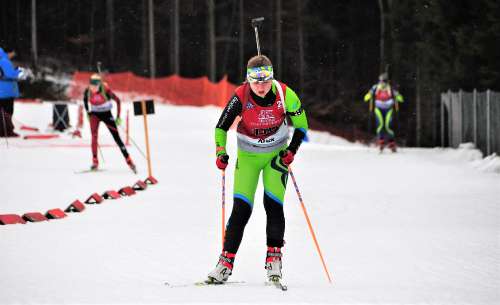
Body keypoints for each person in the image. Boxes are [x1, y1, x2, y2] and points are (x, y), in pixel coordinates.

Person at [207, 55, 308, 284]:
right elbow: (220, 127)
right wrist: (220, 152)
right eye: (256, 81)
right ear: (248, 80)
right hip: (249, 158)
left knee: (273, 206)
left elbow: (302, 126)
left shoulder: (285, 94)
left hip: (276, 158)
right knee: (241, 210)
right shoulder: (240, 96)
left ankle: (274, 261)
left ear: (272, 78)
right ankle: (225, 263)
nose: (261, 87)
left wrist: (292, 150)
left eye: (265, 81)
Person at [83, 73, 136, 172]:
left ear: (99, 85)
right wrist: (88, 112)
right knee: (94, 136)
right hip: (95, 115)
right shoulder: (87, 91)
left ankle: (129, 160)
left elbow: (118, 101)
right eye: (91, 85)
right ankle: (95, 162)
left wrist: (118, 117)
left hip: (107, 114)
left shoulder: (106, 91)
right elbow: (85, 101)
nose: (93, 88)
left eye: (95, 86)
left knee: (117, 138)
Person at [363, 73, 404, 152]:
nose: (383, 83)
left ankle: (391, 143)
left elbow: (400, 98)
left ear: (387, 81)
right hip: (378, 108)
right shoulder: (375, 87)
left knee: (388, 126)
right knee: (380, 125)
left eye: (384, 81)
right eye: (381, 81)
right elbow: (368, 95)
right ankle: (381, 142)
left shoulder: (390, 88)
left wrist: (398, 96)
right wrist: (368, 96)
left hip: (389, 109)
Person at [0, 47, 26, 137]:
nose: (13, 56)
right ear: (9, 53)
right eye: (13, 54)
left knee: (2, 111)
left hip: (1, 91)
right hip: (6, 91)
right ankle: (6, 131)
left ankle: (3, 130)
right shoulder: (4, 60)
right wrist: (19, 71)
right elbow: (10, 74)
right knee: (8, 111)